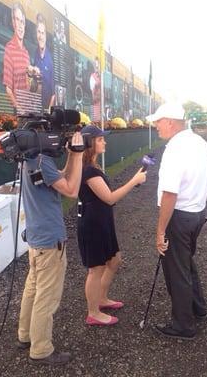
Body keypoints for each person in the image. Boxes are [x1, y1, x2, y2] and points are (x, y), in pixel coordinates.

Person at [17, 132, 84, 366]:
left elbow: (60, 177)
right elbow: (72, 190)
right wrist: (79, 153)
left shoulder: (30, 158)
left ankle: (25, 336)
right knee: (46, 297)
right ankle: (41, 349)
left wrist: (72, 157)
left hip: (37, 239)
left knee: (33, 290)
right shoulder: (42, 160)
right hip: (49, 241)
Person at [146, 102, 207, 340]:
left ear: (170, 122)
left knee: (176, 271)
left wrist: (160, 231)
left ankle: (184, 325)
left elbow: (170, 194)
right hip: (197, 213)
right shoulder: (200, 142)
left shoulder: (175, 149)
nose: (155, 126)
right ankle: (198, 308)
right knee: (186, 264)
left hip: (180, 216)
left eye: (158, 122)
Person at [77, 125, 147, 325]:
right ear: (90, 143)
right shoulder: (89, 170)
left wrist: (134, 180)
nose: (104, 142)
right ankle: (93, 313)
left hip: (102, 222)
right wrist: (133, 181)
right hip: (93, 224)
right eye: (100, 139)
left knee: (114, 261)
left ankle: (101, 299)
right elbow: (109, 198)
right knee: (96, 269)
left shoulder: (93, 166)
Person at [2, 2, 31, 112]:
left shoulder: (26, 52)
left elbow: (29, 86)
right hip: (18, 114)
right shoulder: (9, 49)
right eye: (17, 20)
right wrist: (20, 111)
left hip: (29, 112)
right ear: (13, 22)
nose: (20, 25)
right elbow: (8, 89)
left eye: (22, 22)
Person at [32, 13, 55, 111]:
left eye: (43, 33)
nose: (40, 36)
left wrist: (48, 110)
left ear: (46, 35)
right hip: (35, 109)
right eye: (39, 32)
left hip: (47, 110)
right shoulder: (34, 54)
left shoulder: (51, 59)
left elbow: (54, 92)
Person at [89, 57, 101, 121]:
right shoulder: (92, 77)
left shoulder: (103, 76)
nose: (97, 67)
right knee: (96, 121)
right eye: (95, 66)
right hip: (96, 106)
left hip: (102, 106)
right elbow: (93, 97)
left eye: (98, 65)